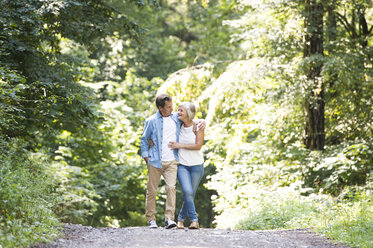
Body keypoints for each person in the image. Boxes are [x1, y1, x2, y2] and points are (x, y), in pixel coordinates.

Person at [140, 94, 204, 229]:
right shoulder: (151, 121)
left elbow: (190, 118)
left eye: (172, 106)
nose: (172, 109)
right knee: (152, 191)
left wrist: (201, 121)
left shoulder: (176, 118)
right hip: (155, 161)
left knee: (171, 188)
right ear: (160, 108)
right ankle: (151, 220)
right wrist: (146, 157)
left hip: (172, 161)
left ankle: (169, 219)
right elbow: (144, 140)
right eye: (169, 107)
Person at [168, 102, 204, 230]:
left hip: (197, 166)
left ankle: (180, 220)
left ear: (188, 113)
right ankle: (194, 220)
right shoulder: (178, 125)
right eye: (178, 110)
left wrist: (180, 145)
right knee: (187, 192)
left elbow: (198, 145)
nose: (178, 112)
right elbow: (167, 115)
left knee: (190, 194)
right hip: (182, 165)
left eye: (181, 110)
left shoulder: (198, 126)